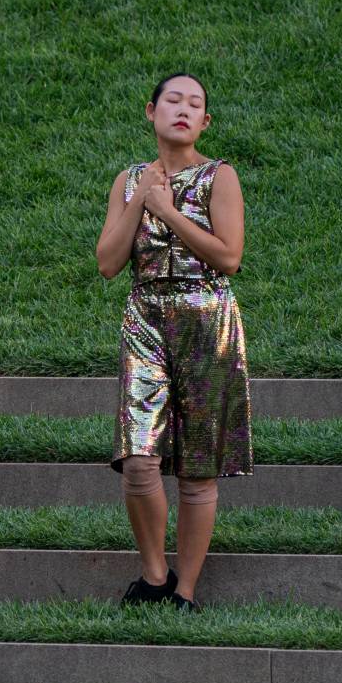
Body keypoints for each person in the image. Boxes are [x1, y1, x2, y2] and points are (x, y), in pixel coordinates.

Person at [94, 73, 252, 611]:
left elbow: (228, 257)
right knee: (139, 460)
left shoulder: (219, 176)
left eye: (195, 104)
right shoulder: (128, 179)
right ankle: (154, 574)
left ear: (205, 121)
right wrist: (141, 197)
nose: (182, 110)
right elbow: (108, 263)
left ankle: (185, 589)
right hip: (145, 318)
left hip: (207, 318)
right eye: (173, 100)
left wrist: (167, 212)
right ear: (151, 111)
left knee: (197, 466)